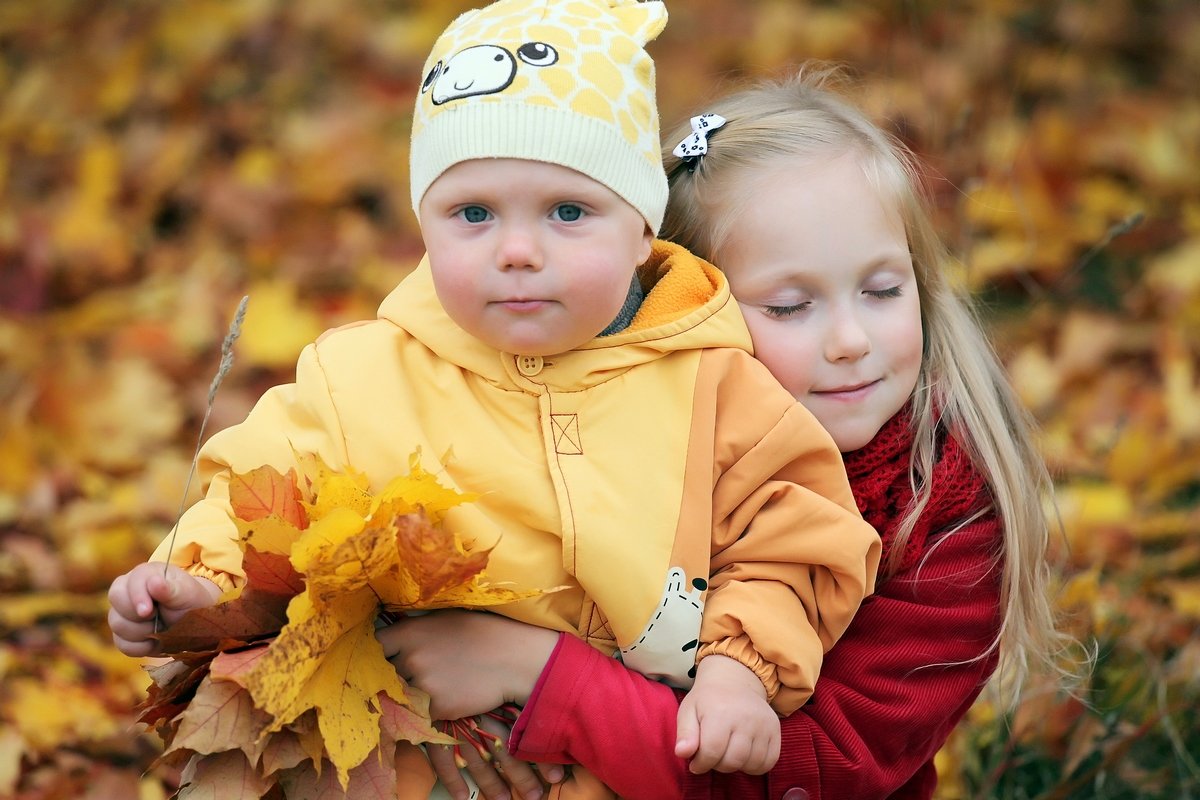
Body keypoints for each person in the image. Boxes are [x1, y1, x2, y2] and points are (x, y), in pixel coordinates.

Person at [107, 3, 882, 795]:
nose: (517, 251)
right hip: (404, 731)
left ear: (642, 229)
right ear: (426, 227)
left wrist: (737, 672)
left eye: (567, 212)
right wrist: (199, 585)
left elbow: (787, 538)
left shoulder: (715, 384)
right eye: (472, 214)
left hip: (613, 750)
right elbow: (258, 495)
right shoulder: (362, 376)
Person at [380, 66, 1076, 800]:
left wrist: (538, 675)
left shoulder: (942, 516)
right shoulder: (587, 427)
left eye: (881, 291)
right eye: (789, 306)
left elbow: (807, 772)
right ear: (685, 310)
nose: (849, 340)